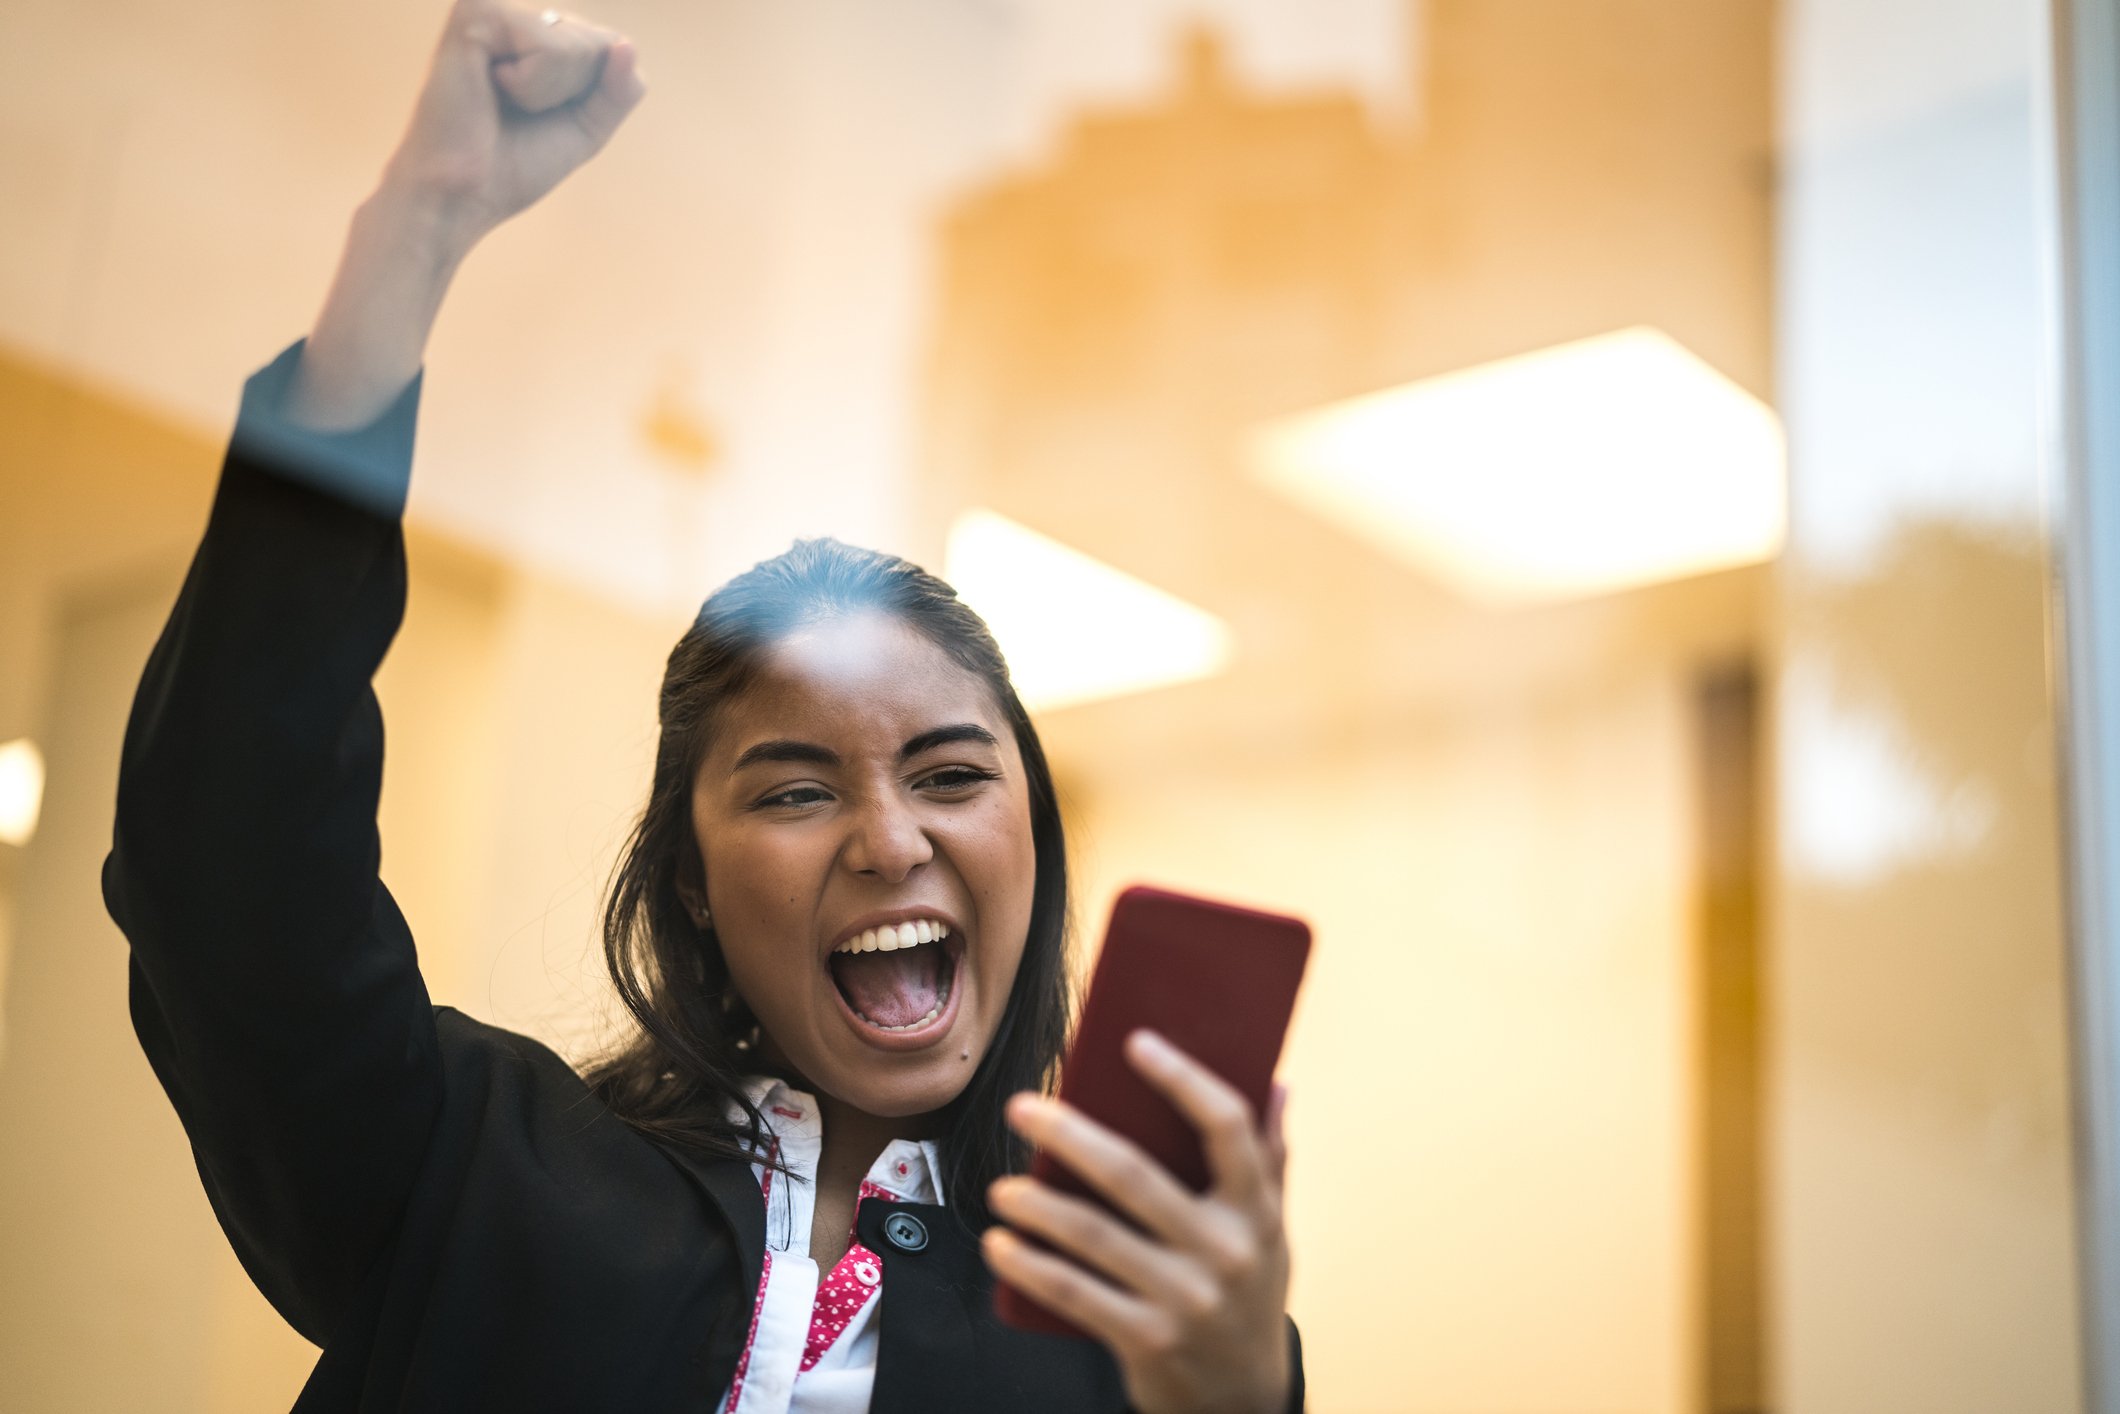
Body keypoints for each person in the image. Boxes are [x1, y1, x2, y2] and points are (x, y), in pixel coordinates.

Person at [103, 3, 1303, 1411]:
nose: (887, 837)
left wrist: (1231, 1394)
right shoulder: (473, 1170)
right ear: (689, 873)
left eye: (952, 774)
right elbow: (229, 862)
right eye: (796, 788)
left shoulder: (1133, 1331)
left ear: (1031, 833)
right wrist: (418, 227)